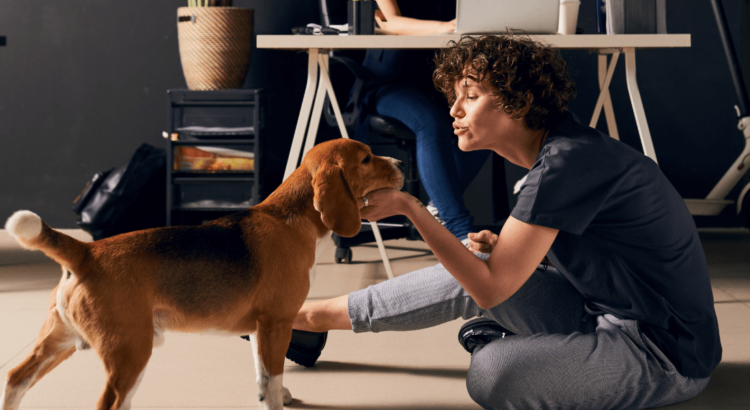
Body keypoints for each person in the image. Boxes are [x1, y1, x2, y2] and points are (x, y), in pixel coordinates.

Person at [287, 35, 721, 410]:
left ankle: (511, 345)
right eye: (455, 96)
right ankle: (304, 318)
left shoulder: (566, 165)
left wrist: (411, 208)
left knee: (492, 375)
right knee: (473, 260)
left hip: (663, 351)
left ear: (521, 102)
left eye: (471, 97)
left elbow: (492, 288)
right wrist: (506, 247)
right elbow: (602, 253)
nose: (454, 110)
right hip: (602, 312)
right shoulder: (559, 154)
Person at [350, 0, 490, 241]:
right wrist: (446, 27)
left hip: (439, 83)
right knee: (430, 121)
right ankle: (459, 230)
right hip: (388, 82)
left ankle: (438, 206)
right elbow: (390, 21)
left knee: (485, 118)